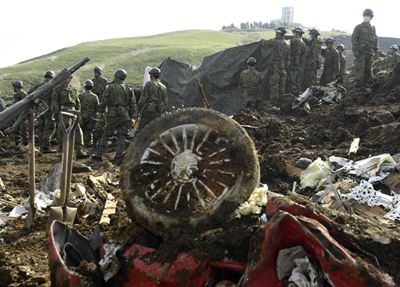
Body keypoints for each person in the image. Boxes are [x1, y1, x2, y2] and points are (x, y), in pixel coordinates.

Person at [92, 69, 138, 164]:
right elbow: (133, 104)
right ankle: (118, 157)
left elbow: (104, 101)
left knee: (106, 134)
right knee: (121, 135)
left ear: (115, 76)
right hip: (125, 115)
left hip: (113, 114)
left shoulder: (110, 87)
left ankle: (99, 154)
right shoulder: (128, 89)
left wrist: (100, 112)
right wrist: (134, 117)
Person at [52, 75, 88, 159]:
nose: (68, 79)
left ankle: (79, 151)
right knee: (63, 131)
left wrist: (79, 112)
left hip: (73, 111)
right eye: (66, 77)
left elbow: (77, 101)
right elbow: (54, 102)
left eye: (69, 78)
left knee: (78, 131)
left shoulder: (72, 89)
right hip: (63, 111)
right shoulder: (57, 89)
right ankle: (62, 151)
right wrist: (57, 113)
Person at [29, 70, 57, 153]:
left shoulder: (38, 85)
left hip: (40, 110)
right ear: (52, 77)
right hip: (49, 110)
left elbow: (30, 94)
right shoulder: (53, 85)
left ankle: (42, 145)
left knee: (41, 127)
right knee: (49, 127)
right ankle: (45, 147)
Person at [351, 9, 378, 85]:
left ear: (371, 17)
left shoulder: (372, 28)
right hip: (361, 53)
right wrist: (355, 51)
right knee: (360, 71)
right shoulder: (358, 27)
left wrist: (376, 50)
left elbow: (375, 39)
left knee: (368, 71)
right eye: (365, 15)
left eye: (368, 16)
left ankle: (366, 86)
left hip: (369, 52)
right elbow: (354, 39)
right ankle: (358, 87)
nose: (366, 17)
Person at [264, 26, 290, 99]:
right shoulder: (287, 44)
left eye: (276, 33)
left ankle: (274, 104)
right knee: (282, 87)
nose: (275, 34)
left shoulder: (274, 42)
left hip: (275, 67)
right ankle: (282, 102)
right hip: (283, 68)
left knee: (274, 86)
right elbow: (288, 59)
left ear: (279, 33)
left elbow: (264, 43)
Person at [79, 80, 99, 147]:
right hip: (91, 117)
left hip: (82, 116)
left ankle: (81, 144)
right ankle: (87, 144)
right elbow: (97, 108)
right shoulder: (95, 96)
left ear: (84, 86)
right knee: (88, 131)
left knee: (81, 131)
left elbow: (78, 106)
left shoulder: (80, 96)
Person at [287, 27, 307, 95]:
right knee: (296, 81)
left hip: (295, 65)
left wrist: (293, 65)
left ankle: (293, 96)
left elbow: (296, 55)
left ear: (298, 34)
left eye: (295, 33)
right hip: (299, 65)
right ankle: (297, 94)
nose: (293, 34)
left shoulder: (297, 41)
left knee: (292, 81)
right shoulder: (303, 43)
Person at [92, 66, 108, 144]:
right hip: (94, 103)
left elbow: (106, 92)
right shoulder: (92, 81)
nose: (95, 74)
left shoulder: (104, 81)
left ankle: (100, 140)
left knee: (102, 121)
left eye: (96, 72)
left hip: (102, 104)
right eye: (94, 72)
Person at [12, 80, 27, 146]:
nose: (14, 88)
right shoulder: (15, 95)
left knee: (23, 129)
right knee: (16, 129)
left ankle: (25, 144)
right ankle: (17, 144)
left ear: (16, 87)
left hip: (22, 115)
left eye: (14, 87)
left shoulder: (23, 94)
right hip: (16, 115)